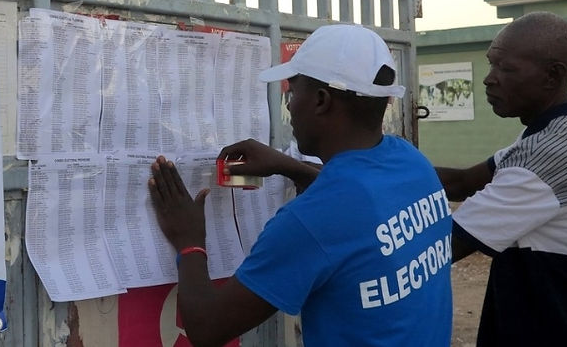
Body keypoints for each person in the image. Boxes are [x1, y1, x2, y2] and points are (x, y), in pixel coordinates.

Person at [148, 24, 453, 347]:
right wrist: (289, 167)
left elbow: (207, 328)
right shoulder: (410, 162)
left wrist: (190, 239)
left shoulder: (309, 221)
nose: (290, 106)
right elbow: (361, 207)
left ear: (321, 101)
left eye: (292, 93)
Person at [434, 11, 567, 346]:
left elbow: (442, 249)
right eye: (491, 64)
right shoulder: (562, 128)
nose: (489, 79)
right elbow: (461, 183)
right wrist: (365, 172)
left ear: (552, 75)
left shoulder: (554, 152)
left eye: (506, 68)